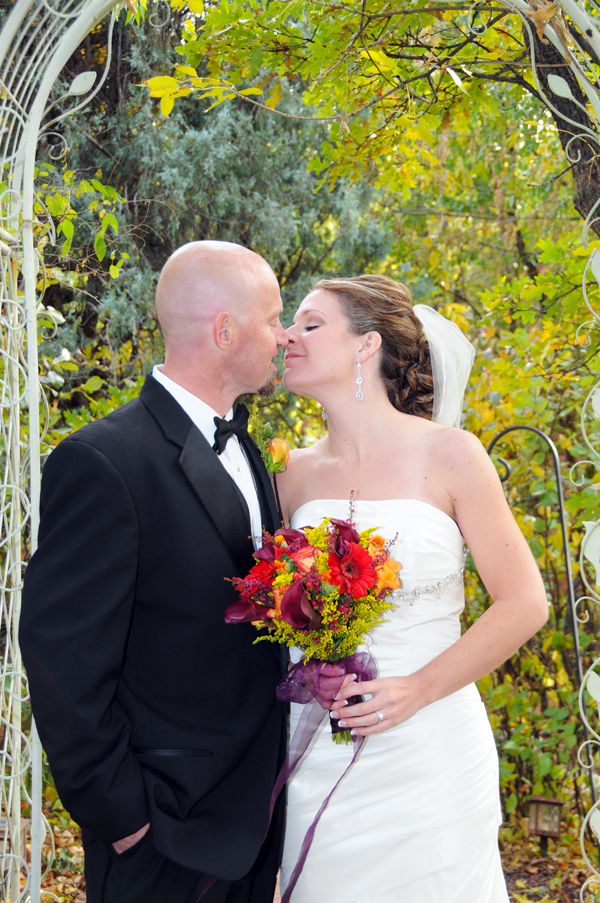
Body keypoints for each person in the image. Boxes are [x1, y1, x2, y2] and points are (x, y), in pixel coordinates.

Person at [19, 241, 289, 903]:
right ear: (225, 330)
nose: (283, 334)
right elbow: (63, 665)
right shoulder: (104, 461)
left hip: (253, 829)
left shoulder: (248, 449)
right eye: (273, 317)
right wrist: (126, 821)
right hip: (161, 836)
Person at [276, 274, 548, 903]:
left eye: (312, 324)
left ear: (367, 346)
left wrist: (418, 690)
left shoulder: (452, 455)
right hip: (318, 751)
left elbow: (524, 602)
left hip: (431, 751)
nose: (289, 336)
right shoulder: (290, 474)